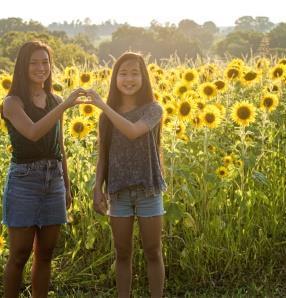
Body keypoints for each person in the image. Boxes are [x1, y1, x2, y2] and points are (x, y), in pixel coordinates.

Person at [1, 40, 85, 298]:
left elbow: (59, 147)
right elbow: (34, 133)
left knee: (46, 253)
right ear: (23, 66)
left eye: (45, 62)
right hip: (24, 181)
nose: (41, 67)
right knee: (19, 254)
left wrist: (67, 187)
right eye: (34, 62)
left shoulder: (54, 99)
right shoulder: (13, 102)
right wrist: (64, 106)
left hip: (54, 180)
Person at [87, 52, 166, 298]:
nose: (129, 79)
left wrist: (102, 105)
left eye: (135, 73)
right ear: (115, 78)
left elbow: (133, 131)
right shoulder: (106, 116)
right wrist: (97, 187)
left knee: (153, 250)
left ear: (144, 77)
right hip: (118, 191)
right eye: (123, 73)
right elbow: (103, 154)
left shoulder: (153, 109)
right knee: (122, 253)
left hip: (148, 189)